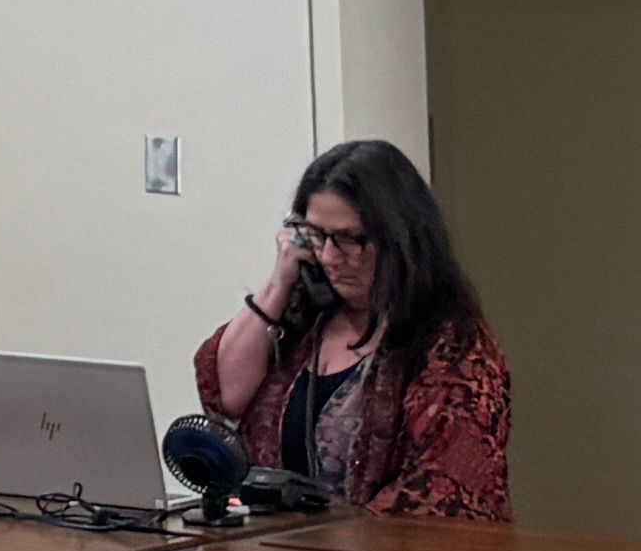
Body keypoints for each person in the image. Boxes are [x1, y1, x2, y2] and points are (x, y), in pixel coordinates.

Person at [190, 138, 512, 523]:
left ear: (398, 240)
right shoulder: (303, 319)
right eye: (315, 236)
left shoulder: (452, 346)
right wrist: (279, 282)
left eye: (347, 239)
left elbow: (445, 487)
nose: (328, 257)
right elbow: (225, 396)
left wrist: (335, 539)